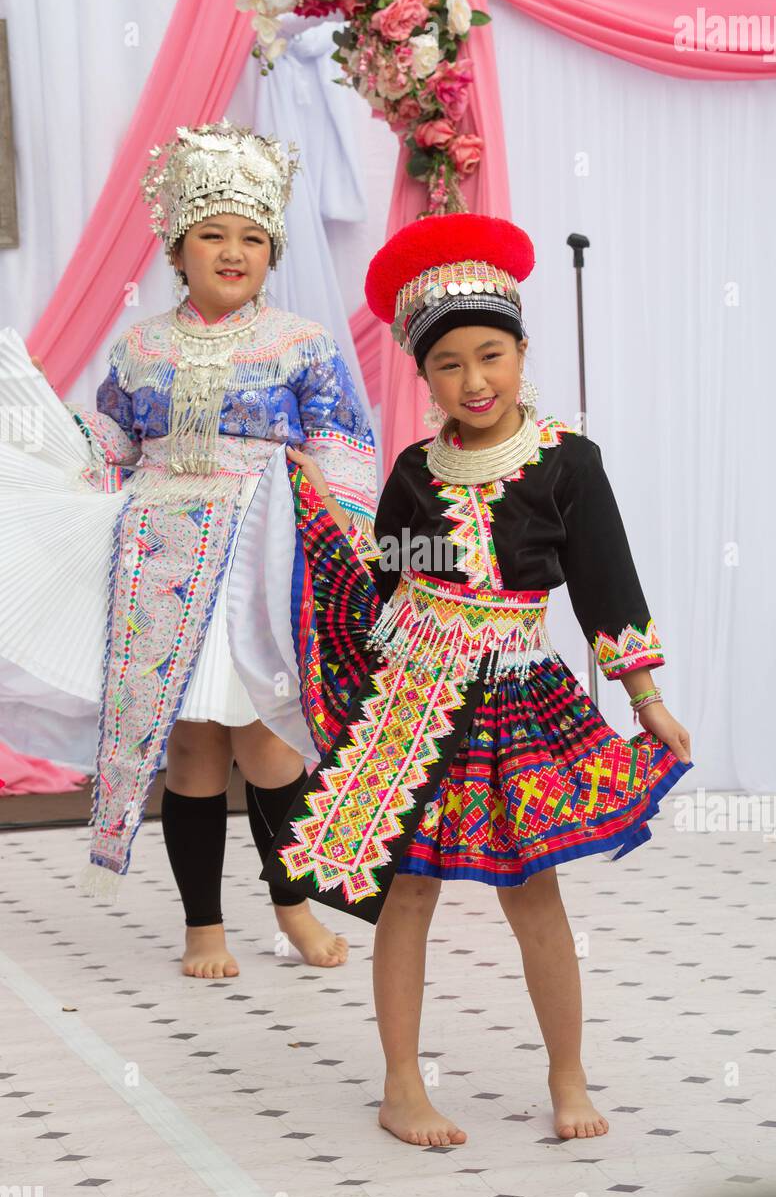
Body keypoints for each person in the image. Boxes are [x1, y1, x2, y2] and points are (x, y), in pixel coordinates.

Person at [252, 211, 694, 1146]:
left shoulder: (567, 465)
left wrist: (646, 699)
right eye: (449, 364)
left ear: (523, 352)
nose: (475, 380)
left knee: (533, 891)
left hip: (519, 697)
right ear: (423, 376)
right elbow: (384, 578)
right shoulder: (414, 470)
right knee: (404, 890)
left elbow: (607, 586)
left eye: (491, 355)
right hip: (414, 703)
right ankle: (402, 1085)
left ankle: (568, 1076)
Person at [0, 121, 377, 979]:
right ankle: (202, 925)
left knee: (272, 745)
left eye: (252, 237)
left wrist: (332, 507)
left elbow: (347, 443)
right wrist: (51, 451)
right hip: (161, 561)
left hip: (261, 558)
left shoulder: (304, 344)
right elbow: (110, 445)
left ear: (272, 249)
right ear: (178, 246)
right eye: (213, 234)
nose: (233, 251)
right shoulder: (140, 348)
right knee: (197, 748)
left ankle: (293, 912)